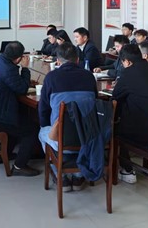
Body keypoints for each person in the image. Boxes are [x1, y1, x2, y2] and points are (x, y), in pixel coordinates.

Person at [38, 42, 97, 191]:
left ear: (58, 61)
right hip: (87, 137)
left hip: (61, 138)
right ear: (77, 59)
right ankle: (78, 175)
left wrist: (47, 126)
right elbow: (95, 103)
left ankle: (60, 175)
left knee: (42, 132)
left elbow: (43, 109)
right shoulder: (89, 76)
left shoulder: (51, 77)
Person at [0, 41, 40, 176]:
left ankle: (3, 155)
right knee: (32, 129)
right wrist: (25, 69)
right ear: (18, 58)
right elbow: (21, 89)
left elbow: (13, 83)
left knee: (20, 118)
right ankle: (19, 166)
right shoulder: (8, 68)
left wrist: (23, 79)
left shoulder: (0, 61)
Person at [111, 44, 148, 183]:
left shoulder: (128, 73)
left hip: (144, 132)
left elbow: (115, 98)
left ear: (127, 61)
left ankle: (127, 170)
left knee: (116, 125)